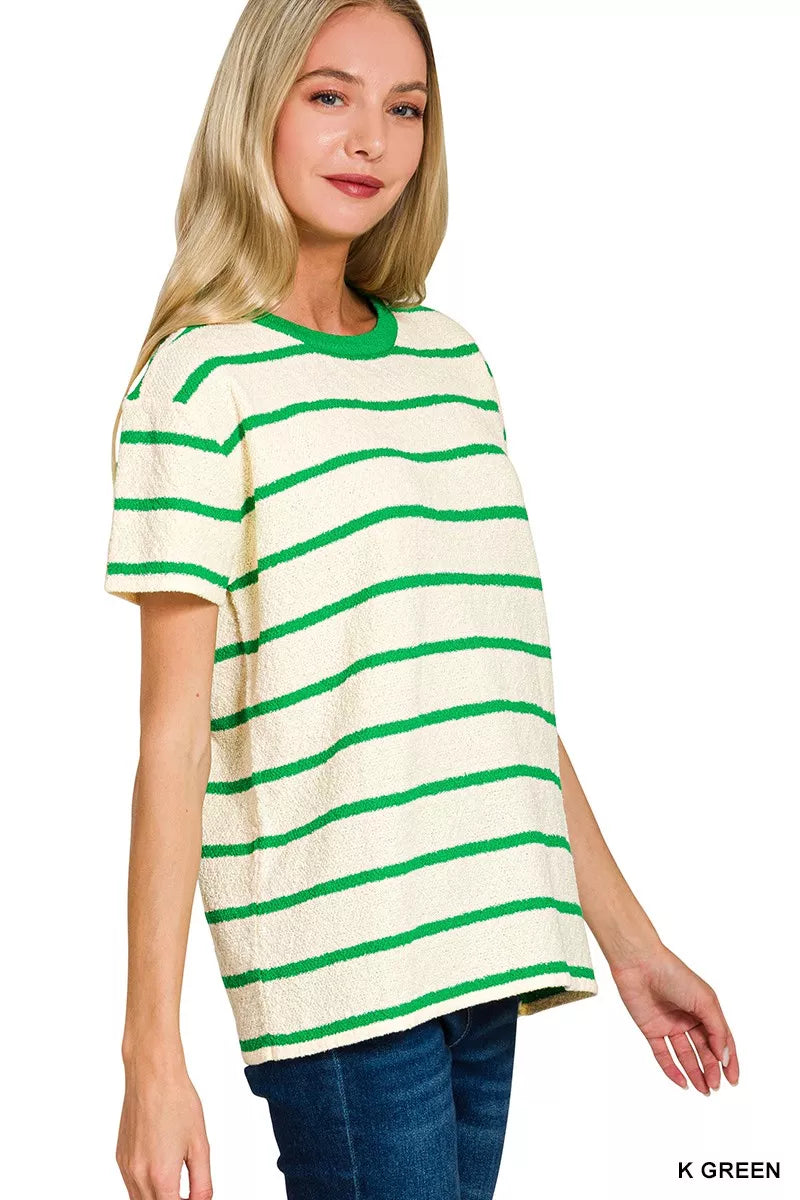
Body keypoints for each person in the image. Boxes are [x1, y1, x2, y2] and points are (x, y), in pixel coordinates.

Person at [105, 2, 740, 1197]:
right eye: (329, 96)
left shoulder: (449, 362)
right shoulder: (198, 385)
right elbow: (172, 741)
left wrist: (630, 944)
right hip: (344, 985)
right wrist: (150, 1053)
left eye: (405, 110)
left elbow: (491, 699)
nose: (371, 141)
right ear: (256, 107)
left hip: (484, 952)